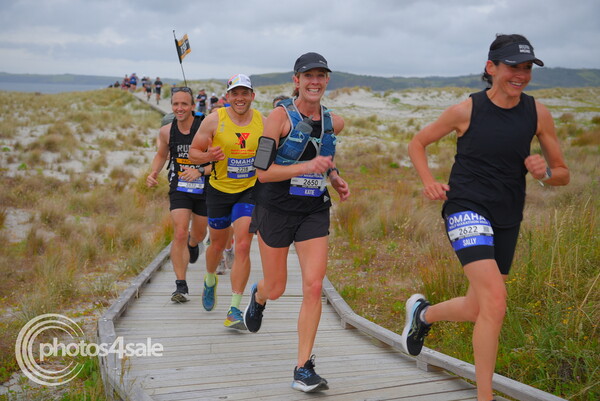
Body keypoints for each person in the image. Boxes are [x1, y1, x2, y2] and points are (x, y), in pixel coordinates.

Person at [403, 34, 569, 401]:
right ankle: (484, 396)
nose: (521, 75)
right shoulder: (467, 110)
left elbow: (562, 173)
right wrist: (429, 181)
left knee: (477, 306)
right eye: (513, 67)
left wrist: (543, 173)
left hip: (507, 216)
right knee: (495, 301)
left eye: (527, 68)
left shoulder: (538, 113)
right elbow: (418, 143)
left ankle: (423, 316)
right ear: (491, 67)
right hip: (465, 208)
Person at [243, 52, 350, 393]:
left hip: (313, 209)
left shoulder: (333, 122)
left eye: (320, 76)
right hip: (275, 208)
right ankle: (259, 295)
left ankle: (303, 367)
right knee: (276, 288)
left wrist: (334, 176)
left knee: (314, 286)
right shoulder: (278, 118)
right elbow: (262, 173)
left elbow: (323, 153)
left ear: (327, 80)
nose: (314, 82)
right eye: (308, 76)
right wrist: (306, 168)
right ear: (296, 80)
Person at [189, 73, 264, 331]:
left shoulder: (262, 122)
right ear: (227, 96)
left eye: (245, 93)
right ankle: (210, 279)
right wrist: (207, 155)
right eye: (235, 93)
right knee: (217, 245)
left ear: (252, 96)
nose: (240, 98)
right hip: (219, 191)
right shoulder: (214, 120)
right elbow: (193, 153)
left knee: (242, 244)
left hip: (249, 191)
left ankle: (234, 309)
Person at [146, 86, 210, 303]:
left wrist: (199, 170)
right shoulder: (166, 131)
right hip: (179, 187)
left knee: (198, 234)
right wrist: (154, 172)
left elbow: (219, 161)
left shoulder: (205, 128)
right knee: (180, 231)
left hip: (204, 187)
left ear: (193, 106)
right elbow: (161, 155)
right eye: (175, 104)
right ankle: (180, 285)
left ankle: (193, 244)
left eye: (184, 104)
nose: (179, 108)